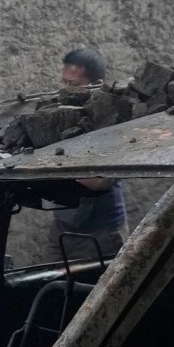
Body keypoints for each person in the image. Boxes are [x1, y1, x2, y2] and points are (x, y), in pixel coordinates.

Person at [54, 47, 126, 257]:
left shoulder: (113, 121)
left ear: (97, 85)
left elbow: (99, 181)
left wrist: (50, 166)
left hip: (101, 235)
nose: (66, 90)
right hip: (62, 229)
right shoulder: (61, 115)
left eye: (74, 84)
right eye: (64, 82)